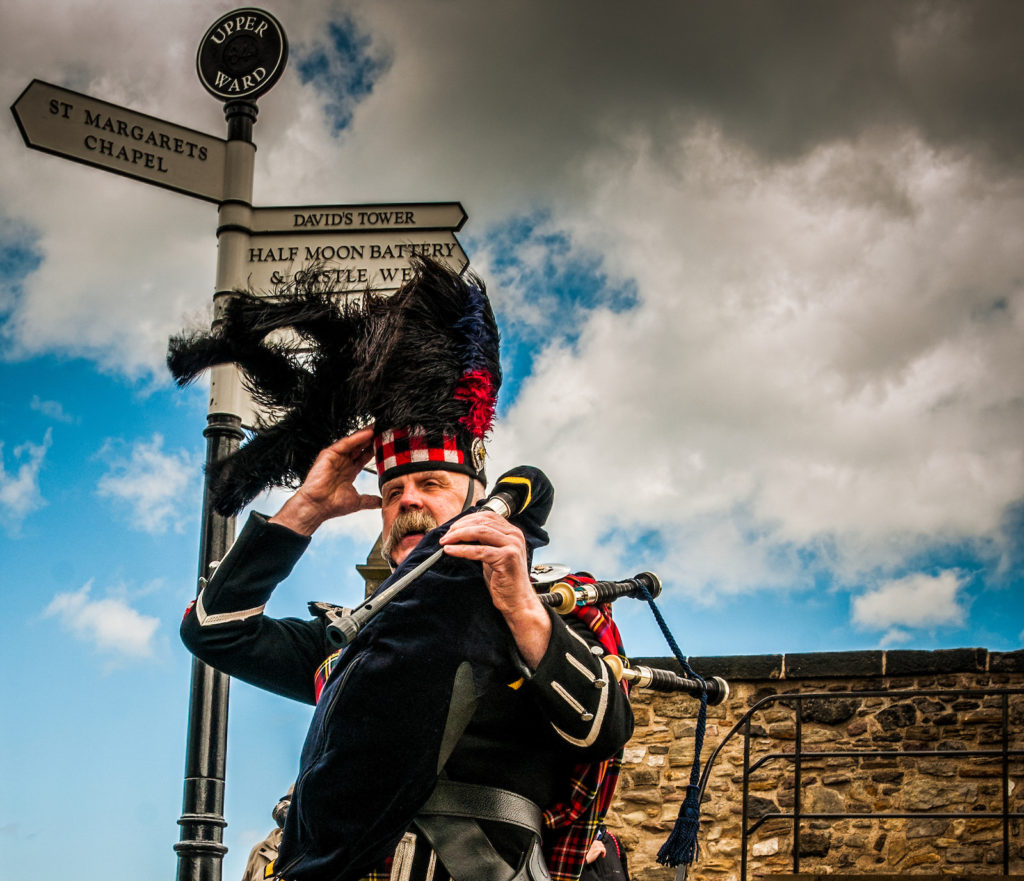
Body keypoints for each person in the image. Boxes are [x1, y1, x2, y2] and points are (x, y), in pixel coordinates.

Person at [173, 257, 634, 881]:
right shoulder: (349, 641)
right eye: (393, 492)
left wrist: (521, 608)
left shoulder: (557, 597)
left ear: (477, 497)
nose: (409, 500)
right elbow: (214, 631)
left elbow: (604, 730)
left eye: (432, 482)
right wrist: (304, 509)